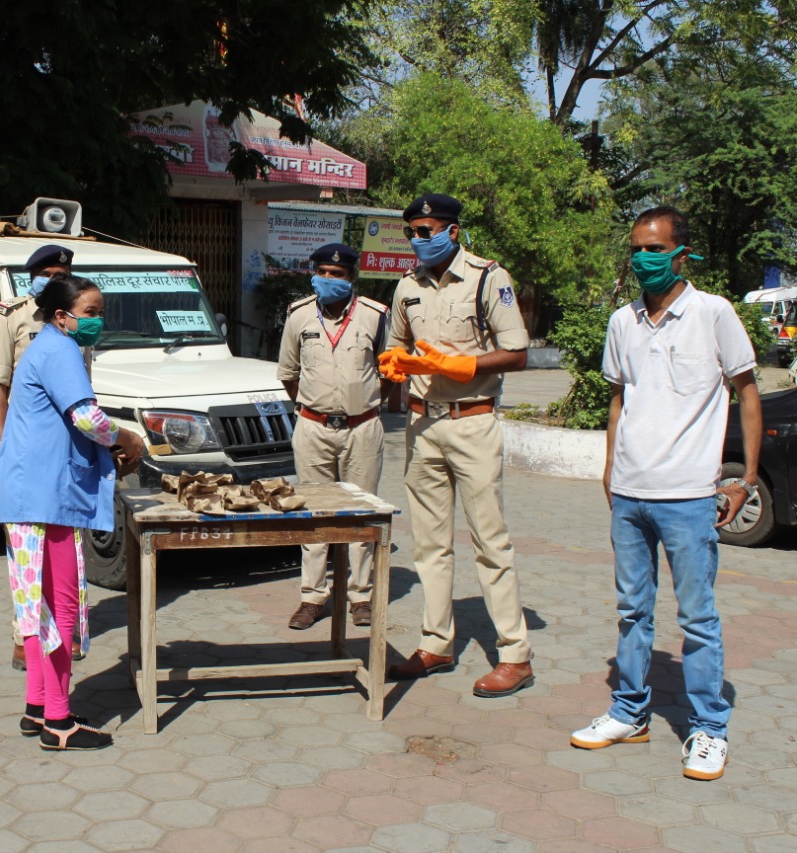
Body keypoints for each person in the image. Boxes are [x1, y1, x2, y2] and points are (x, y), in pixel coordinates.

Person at [570, 206, 761, 782]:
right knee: (632, 611)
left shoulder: (713, 314)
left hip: (688, 495)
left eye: (654, 250)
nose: (643, 260)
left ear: (682, 254)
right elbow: (618, 399)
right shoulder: (622, 322)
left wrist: (746, 479)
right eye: (636, 250)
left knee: (697, 617)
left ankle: (709, 729)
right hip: (630, 493)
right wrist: (608, 467)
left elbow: (748, 392)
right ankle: (630, 711)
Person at [378, 193, 534, 698]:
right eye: (412, 233)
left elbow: (517, 353)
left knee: (490, 542)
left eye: (428, 230)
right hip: (423, 427)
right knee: (429, 545)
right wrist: (394, 363)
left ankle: (515, 654)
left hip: (472, 423)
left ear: (453, 231)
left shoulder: (489, 278)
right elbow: (398, 345)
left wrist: (461, 366)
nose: (419, 240)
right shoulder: (407, 286)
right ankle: (436, 643)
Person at [0, 275, 145, 750]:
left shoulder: (42, 346)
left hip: (27, 494)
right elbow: (86, 416)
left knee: (34, 606)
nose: (98, 320)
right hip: (47, 498)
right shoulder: (60, 350)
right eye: (91, 311)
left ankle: (37, 704)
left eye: (102, 311)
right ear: (63, 316)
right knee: (59, 607)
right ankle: (58, 722)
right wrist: (129, 438)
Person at [276, 243, 388, 630]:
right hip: (312, 428)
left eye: (337, 274)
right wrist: (317, 411)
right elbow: (289, 375)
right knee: (313, 514)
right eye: (322, 272)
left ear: (351, 278)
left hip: (363, 428)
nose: (329, 279)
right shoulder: (298, 316)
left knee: (362, 513)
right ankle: (312, 597)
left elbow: (387, 374)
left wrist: (361, 406)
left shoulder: (375, 317)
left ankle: (361, 597)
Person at [0, 244, 77, 671]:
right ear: (32, 276)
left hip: (64, 449)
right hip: (24, 448)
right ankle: (25, 635)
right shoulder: (12, 317)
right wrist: (3, 446)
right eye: (48, 273)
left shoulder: (73, 318)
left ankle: (65, 629)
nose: (54, 280)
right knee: (26, 548)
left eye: (62, 274)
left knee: (64, 546)